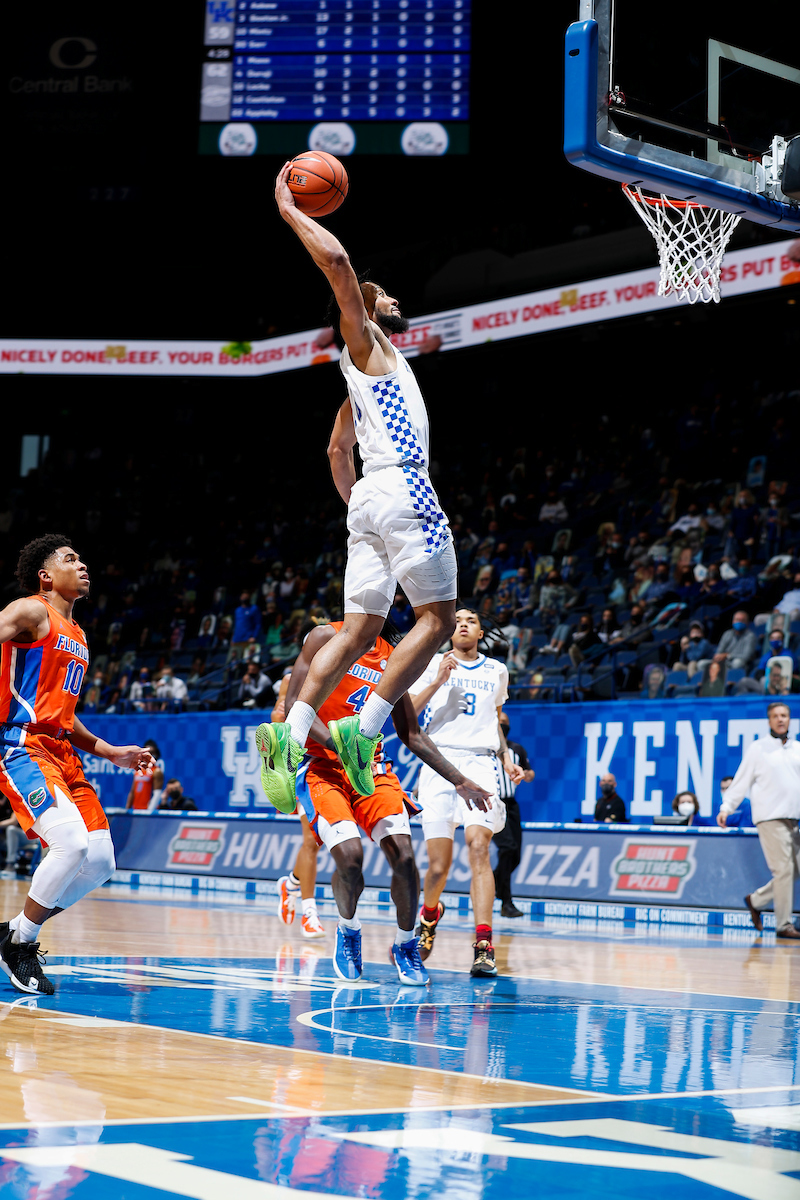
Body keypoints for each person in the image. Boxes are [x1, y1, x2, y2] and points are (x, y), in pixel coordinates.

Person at [259, 165, 459, 814]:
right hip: (402, 487)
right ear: (367, 310)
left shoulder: (360, 384)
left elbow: (334, 449)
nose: (396, 302)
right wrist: (290, 210)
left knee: (356, 629)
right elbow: (341, 262)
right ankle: (363, 728)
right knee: (437, 619)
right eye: (386, 298)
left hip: (372, 496)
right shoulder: (369, 343)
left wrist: (363, 513)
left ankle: (287, 735)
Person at [264, 619, 490, 985]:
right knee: (350, 858)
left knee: (404, 856)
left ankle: (405, 945)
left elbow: (412, 734)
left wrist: (460, 780)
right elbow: (294, 707)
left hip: (373, 769)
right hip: (324, 767)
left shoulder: (396, 657)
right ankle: (349, 930)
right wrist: (342, 747)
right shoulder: (325, 636)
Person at [0, 535, 156, 994]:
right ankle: (21, 944)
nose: (82, 564)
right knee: (69, 842)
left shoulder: (80, 634)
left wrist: (108, 750)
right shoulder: (31, 611)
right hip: (23, 745)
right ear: (46, 577)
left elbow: (63, 713)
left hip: (63, 752)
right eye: (71, 560)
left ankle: (13, 928)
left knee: (101, 861)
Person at [409, 608, 523, 977]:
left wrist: (507, 757)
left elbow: (495, 722)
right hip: (439, 764)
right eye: (457, 619)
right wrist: (437, 681)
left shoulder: (497, 671)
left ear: (480, 632)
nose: (463, 624)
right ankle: (429, 916)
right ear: (448, 629)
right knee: (438, 867)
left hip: (479, 765)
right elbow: (408, 713)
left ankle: (484, 944)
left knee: (479, 846)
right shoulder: (431, 664)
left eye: (471, 620)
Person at [717, 702, 800, 939]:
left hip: (794, 821)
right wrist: (727, 807)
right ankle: (783, 925)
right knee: (783, 870)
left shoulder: (797, 748)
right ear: (769, 721)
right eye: (775, 716)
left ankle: (756, 900)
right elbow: (740, 781)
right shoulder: (759, 749)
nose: (780, 719)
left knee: (793, 870)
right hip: (770, 818)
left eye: (784, 715)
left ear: (789, 719)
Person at [492, 714, 535, 919]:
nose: (503, 726)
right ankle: (506, 902)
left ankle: (493, 881)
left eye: (506, 724)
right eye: (500, 723)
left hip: (511, 805)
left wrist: (526, 775)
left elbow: (530, 771)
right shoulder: (486, 749)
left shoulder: (517, 749)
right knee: (507, 847)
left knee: (515, 854)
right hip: (492, 803)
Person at [126, 739, 163, 811]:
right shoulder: (138, 771)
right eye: (147, 753)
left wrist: (148, 813)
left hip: (147, 812)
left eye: (152, 753)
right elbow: (132, 791)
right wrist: (127, 809)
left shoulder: (157, 771)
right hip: (136, 811)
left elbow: (157, 794)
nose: (150, 755)